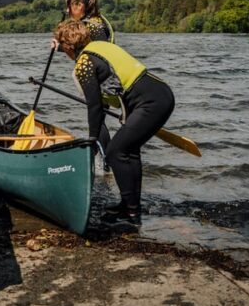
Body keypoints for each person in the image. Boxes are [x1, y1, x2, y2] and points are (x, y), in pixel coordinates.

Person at [52, 20, 174, 223]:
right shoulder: (101, 45)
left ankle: (132, 212)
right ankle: (130, 206)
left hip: (150, 103)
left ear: (69, 46)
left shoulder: (83, 63)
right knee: (129, 151)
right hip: (161, 92)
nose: (64, 54)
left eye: (63, 48)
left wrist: (92, 140)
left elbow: (95, 107)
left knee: (115, 152)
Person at [63, 0, 115, 167]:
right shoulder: (96, 21)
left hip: (102, 78)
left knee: (97, 117)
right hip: (103, 76)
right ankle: (104, 161)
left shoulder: (92, 25)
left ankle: (102, 160)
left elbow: (96, 51)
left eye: (70, 6)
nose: (68, 11)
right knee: (99, 119)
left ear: (80, 5)